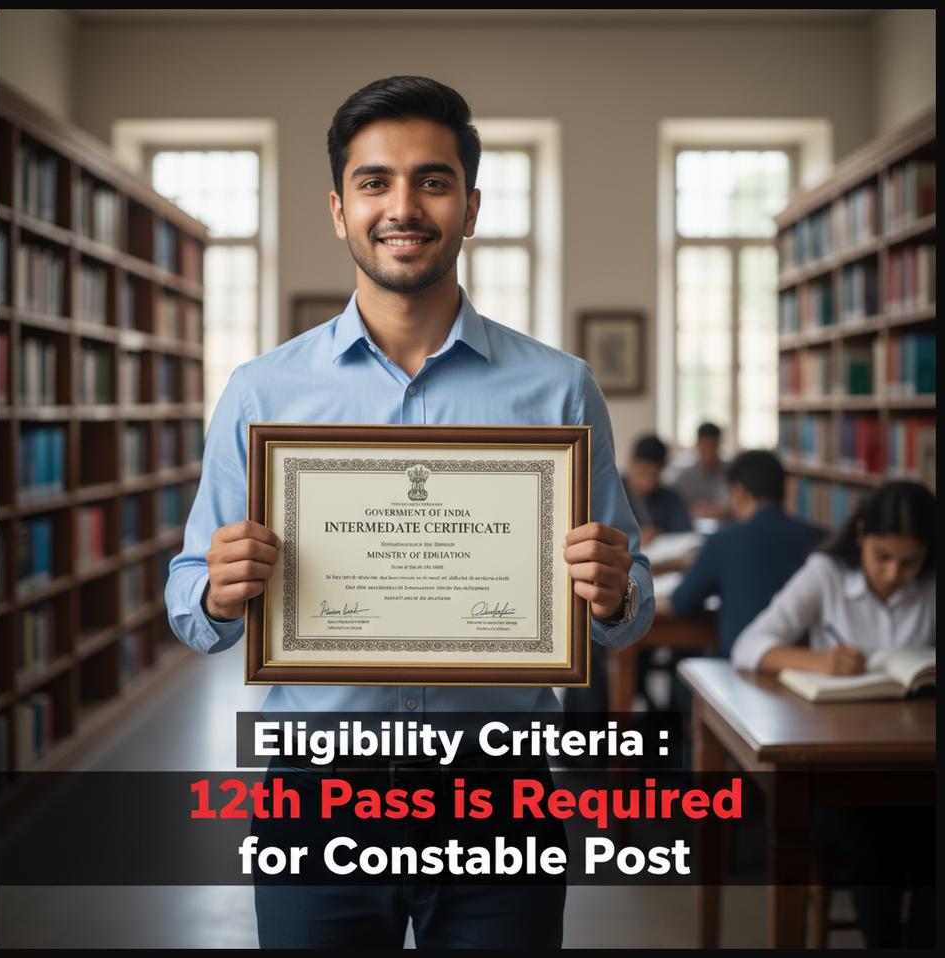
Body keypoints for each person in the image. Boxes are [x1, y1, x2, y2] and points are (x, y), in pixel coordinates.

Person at [164, 75, 654, 950]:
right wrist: (217, 593)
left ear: (470, 207)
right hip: (318, 796)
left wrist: (614, 595)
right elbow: (192, 604)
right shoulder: (261, 392)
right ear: (338, 208)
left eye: (432, 181)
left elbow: (626, 613)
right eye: (375, 181)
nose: (404, 206)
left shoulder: (559, 388)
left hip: (500, 794)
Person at [731, 480, 935, 949]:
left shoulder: (931, 581)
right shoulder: (825, 573)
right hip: (846, 767)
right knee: (875, 843)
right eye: (882, 556)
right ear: (861, 534)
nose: (892, 574)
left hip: (919, 762)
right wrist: (818, 661)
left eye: (909, 562)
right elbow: (748, 646)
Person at [669, 450, 826, 657]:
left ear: (739, 492)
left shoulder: (723, 541)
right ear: (786, 490)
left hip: (742, 670)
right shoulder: (821, 539)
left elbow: (681, 604)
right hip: (807, 668)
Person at [621, 434, 692, 546]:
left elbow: (685, 531)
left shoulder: (669, 497)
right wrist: (633, 538)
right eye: (643, 472)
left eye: (654, 475)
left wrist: (659, 533)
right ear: (631, 463)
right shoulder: (613, 494)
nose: (648, 482)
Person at [673, 422, 731, 521]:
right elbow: (679, 511)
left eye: (712, 446)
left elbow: (733, 508)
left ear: (718, 445)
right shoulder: (684, 478)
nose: (708, 451)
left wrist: (712, 510)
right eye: (705, 446)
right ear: (698, 445)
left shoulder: (731, 473)